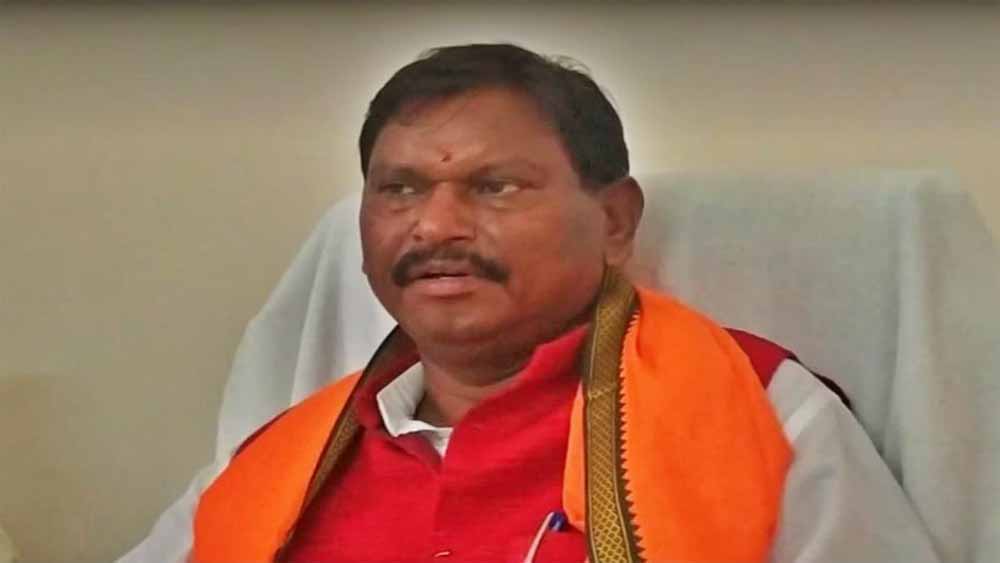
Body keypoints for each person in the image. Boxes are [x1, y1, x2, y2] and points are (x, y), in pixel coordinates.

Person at [188, 44, 939, 562]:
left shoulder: (759, 409)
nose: (435, 225)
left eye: (494, 187)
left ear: (614, 221)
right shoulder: (275, 464)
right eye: (399, 189)